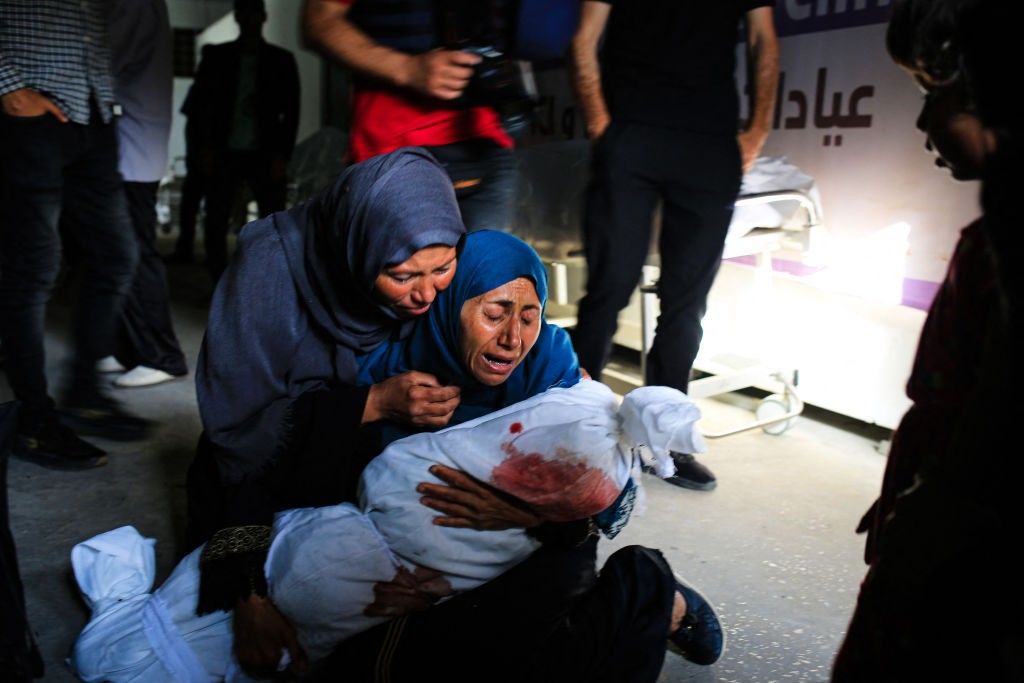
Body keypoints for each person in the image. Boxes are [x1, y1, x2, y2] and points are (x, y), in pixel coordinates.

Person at [73, 231, 720, 682]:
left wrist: (533, 519)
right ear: (452, 305)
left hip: (520, 563)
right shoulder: (383, 370)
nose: (515, 336)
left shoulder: (552, 371)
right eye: (496, 311)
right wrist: (250, 591)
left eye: (530, 313)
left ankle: (651, 592)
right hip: (400, 582)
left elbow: (611, 497)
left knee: (549, 645)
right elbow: (254, 464)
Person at [187, 147, 467, 675]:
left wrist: (559, 378)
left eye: (444, 269)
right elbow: (238, 435)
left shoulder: (433, 246)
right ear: (360, 246)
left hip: (367, 458)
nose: (426, 294)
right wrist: (248, 596)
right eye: (404, 275)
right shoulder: (270, 267)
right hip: (268, 461)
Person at [832, 1, 1024, 680]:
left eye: (930, 93)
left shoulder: (1002, 254)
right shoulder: (989, 241)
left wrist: (940, 500)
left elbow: (1003, 393)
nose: (920, 122)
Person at [569, 0, 779, 491]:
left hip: (709, 143)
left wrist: (758, 130)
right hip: (631, 133)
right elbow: (584, 38)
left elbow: (764, 38)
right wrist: (601, 124)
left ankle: (664, 440)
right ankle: (573, 426)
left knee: (686, 302)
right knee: (609, 286)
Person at [1, 1, 151, 471]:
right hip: (31, 112)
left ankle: (84, 395)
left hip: (93, 111)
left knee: (117, 255)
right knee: (33, 269)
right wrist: (7, 86)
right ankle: (33, 421)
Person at [303, 0, 521, 232]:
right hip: (396, 146)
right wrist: (407, 68)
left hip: (490, 140)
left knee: (489, 266)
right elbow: (319, 22)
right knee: (405, 265)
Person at [103, 0, 189, 389]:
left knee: (133, 253)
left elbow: (103, 64)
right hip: (130, 152)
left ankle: (161, 355)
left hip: (131, 155)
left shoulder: (133, 4)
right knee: (117, 253)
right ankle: (128, 349)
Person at [187, 0, 300, 280]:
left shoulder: (280, 60)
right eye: (244, 14)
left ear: (263, 17)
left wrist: (281, 156)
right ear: (238, 17)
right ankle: (218, 280)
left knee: (271, 219)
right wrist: (204, 150)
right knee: (216, 216)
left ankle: (265, 280)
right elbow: (202, 109)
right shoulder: (218, 57)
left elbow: (291, 113)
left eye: (254, 14)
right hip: (225, 150)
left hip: (265, 152)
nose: (250, 20)